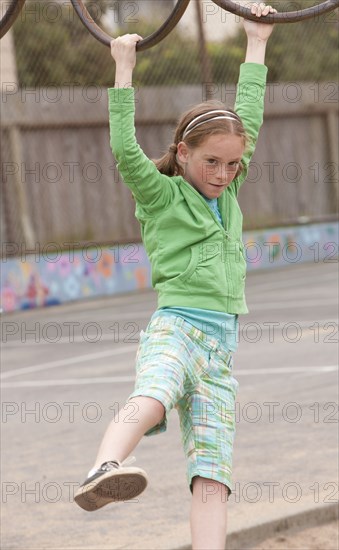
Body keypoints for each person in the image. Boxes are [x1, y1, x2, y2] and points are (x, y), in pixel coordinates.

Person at [75, 3, 277, 548]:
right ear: (183, 153)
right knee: (156, 393)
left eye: (232, 165)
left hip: (221, 350)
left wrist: (256, 41)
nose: (224, 173)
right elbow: (124, 149)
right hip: (178, 328)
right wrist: (123, 69)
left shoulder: (229, 188)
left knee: (213, 475)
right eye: (212, 162)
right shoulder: (161, 195)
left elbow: (248, 121)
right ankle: (105, 465)